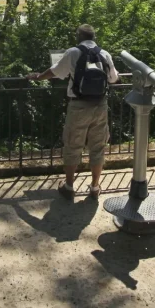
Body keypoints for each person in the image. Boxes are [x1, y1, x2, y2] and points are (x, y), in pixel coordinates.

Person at [26, 24, 119, 199]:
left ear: (79, 36)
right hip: (100, 105)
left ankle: (69, 186)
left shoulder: (73, 52)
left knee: (73, 145)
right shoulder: (105, 54)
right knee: (98, 147)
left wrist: (38, 77)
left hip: (78, 105)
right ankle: (94, 187)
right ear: (93, 37)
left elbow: (55, 72)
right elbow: (113, 78)